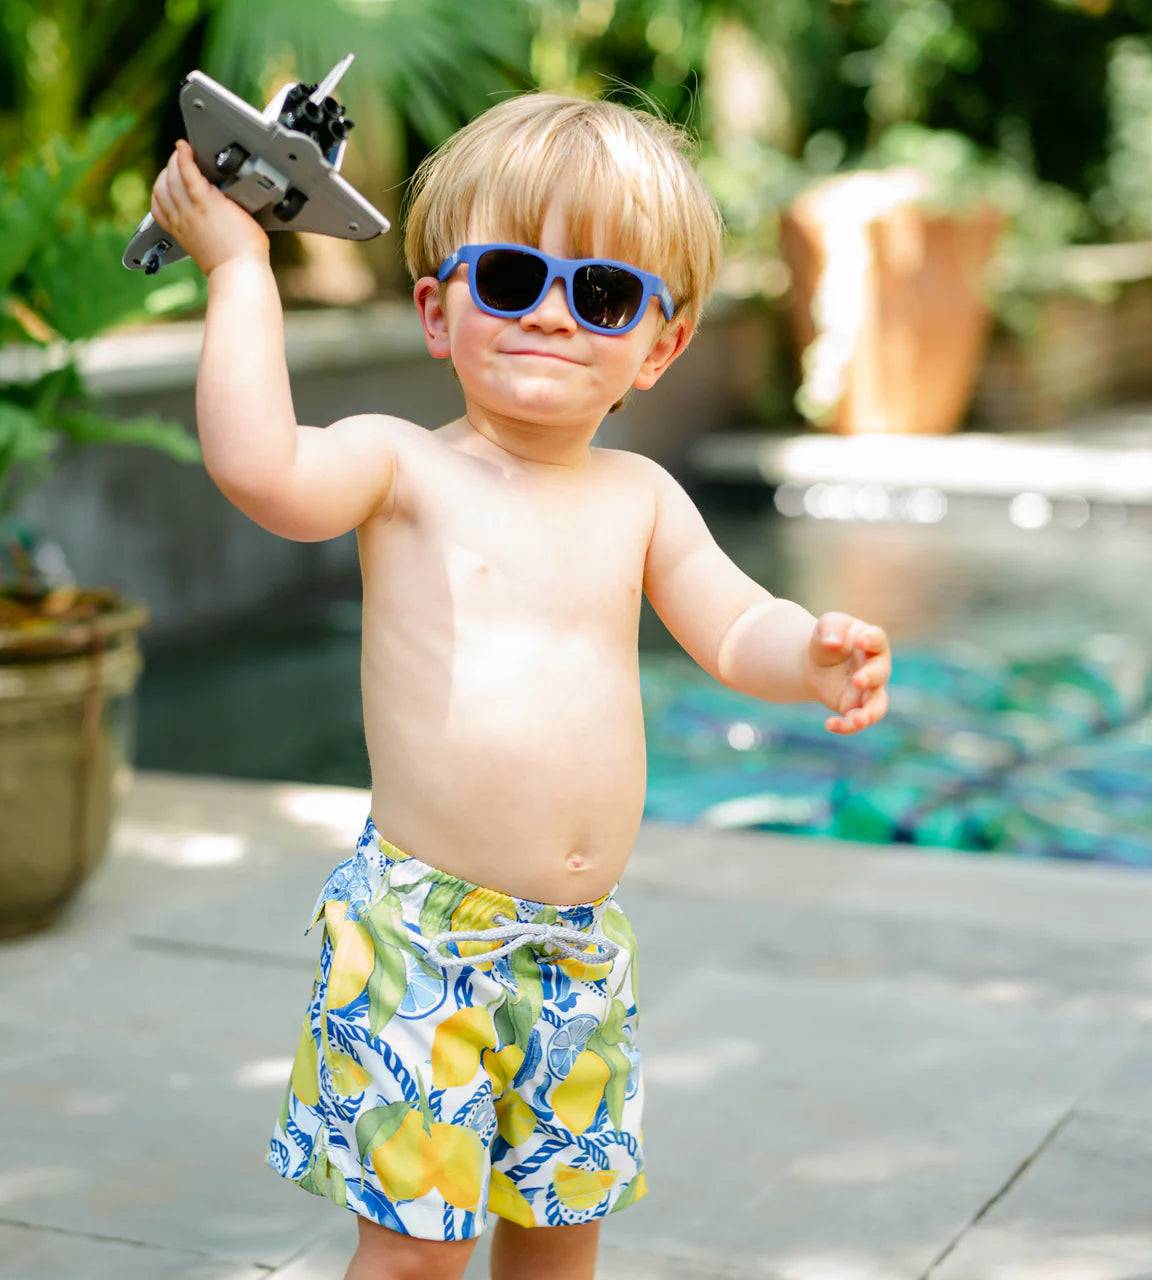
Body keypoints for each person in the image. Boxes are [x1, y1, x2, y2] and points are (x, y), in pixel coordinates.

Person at [148, 90, 891, 1280]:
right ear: (439, 311)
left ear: (658, 343)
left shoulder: (640, 496)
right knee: (412, 1254)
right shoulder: (403, 466)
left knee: (555, 1235)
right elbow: (264, 469)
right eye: (508, 278)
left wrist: (804, 651)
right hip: (419, 943)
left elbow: (732, 621)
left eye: (598, 292)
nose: (550, 311)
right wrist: (240, 271)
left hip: (578, 950)